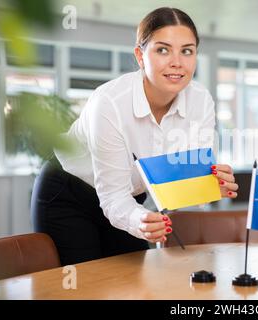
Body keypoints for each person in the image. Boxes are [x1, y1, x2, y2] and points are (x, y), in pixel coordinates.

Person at [31, 7, 238, 266]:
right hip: (69, 194)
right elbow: (112, 196)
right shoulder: (109, 102)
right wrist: (140, 220)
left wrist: (209, 185)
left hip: (128, 198)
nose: (177, 62)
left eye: (187, 50)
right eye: (163, 49)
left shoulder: (201, 101)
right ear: (140, 56)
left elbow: (186, 176)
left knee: (133, 281)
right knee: (84, 285)